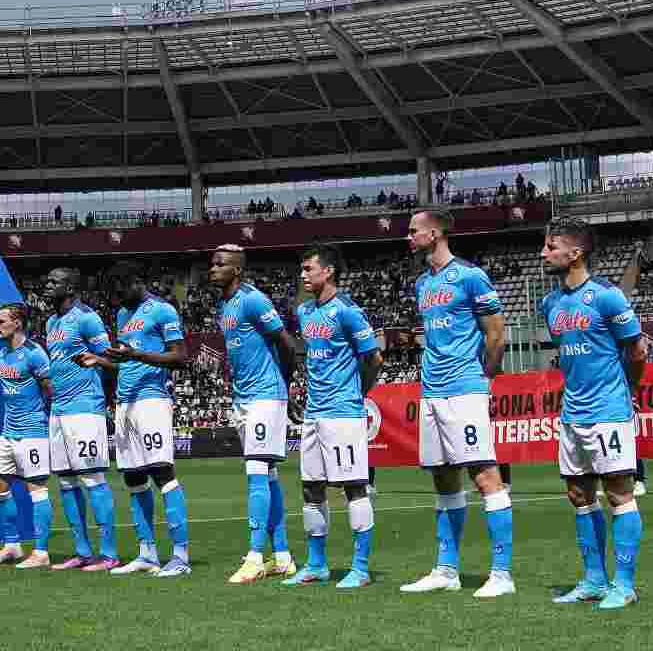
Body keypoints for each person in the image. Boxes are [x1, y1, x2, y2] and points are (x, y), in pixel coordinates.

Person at [401, 208, 514, 598]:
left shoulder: (470, 275)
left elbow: (497, 333)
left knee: (485, 476)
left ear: (434, 234)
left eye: (413, 230)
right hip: (432, 391)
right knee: (443, 477)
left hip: (464, 389)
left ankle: (502, 573)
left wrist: (485, 378)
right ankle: (446, 569)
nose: (408, 236)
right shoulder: (422, 284)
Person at [540, 218, 646, 609]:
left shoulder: (607, 297)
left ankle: (626, 584)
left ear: (576, 252)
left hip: (608, 411)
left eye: (552, 247)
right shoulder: (549, 303)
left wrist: (628, 391)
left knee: (619, 494)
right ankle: (594, 580)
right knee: (578, 493)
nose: (544, 253)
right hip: (572, 414)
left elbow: (637, 351)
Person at [283, 244, 383, 588]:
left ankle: (360, 568)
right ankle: (316, 565)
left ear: (328, 271)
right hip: (314, 414)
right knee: (311, 489)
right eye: (302, 269)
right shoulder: (305, 312)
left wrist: (358, 393)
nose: (303, 275)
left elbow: (374, 359)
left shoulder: (348, 311)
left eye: (309, 268)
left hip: (343, 413)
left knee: (354, 487)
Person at [90, 262, 191, 577]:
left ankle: (180, 556)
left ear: (136, 281)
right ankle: (147, 553)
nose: (117, 298)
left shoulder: (162, 311)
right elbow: (127, 362)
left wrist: (135, 355)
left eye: (120, 290)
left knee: (163, 473)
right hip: (125, 404)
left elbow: (180, 357)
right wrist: (102, 361)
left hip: (152, 402)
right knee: (133, 478)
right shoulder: (122, 315)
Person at [209, 244, 300, 584]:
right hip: (244, 399)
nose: (213, 269)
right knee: (268, 474)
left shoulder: (253, 299)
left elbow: (286, 343)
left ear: (236, 270)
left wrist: (284, 389)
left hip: (265, 396)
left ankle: (254, 556)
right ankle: (283, 556)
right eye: (212, 264)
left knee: (256, 471)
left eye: (220, 264)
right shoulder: (226, 304)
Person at [41, 267, 118, 571]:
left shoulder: (88, 318)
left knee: (92, 478)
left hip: (85, 409)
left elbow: (112, 360)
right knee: (66, 480)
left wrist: (104, 399)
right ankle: (83, 551)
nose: (47, 286)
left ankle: (109, 553)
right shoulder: (51, 322)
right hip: (58, 411)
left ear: (71, 288)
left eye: (54, 282)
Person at [0, 303, 55, 569]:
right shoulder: (3, 353)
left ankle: (41, 551)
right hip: (8, 430)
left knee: (36, 489)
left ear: (17, 323)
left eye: (1, 321)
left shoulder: (35, 353)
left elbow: (50, 388)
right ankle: (12, 545)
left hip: (32, 431)